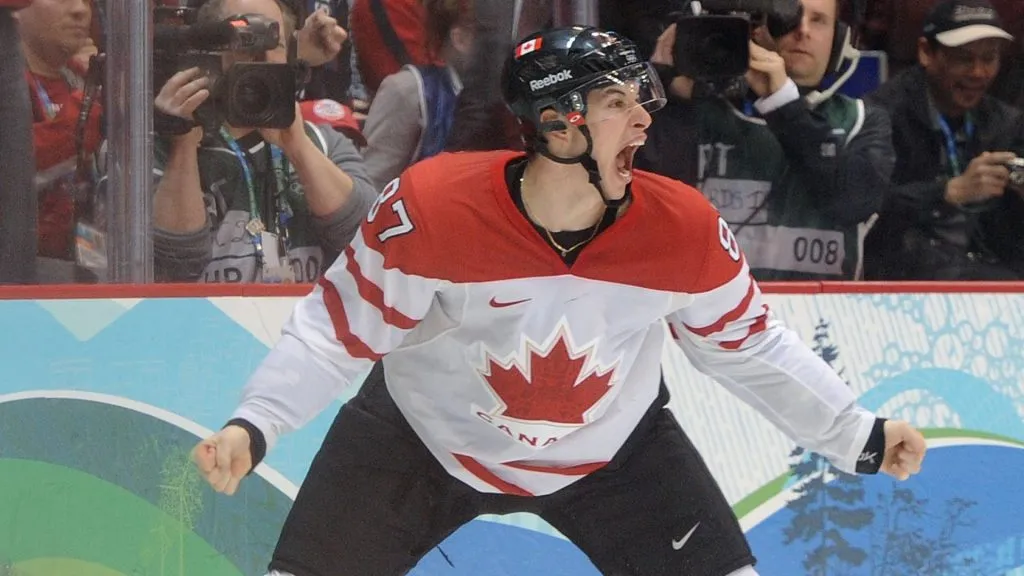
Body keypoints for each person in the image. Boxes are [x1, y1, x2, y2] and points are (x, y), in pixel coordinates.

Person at [192, 26, 927, 576]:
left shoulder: (684, 227)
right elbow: (334, 332)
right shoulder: (435, 206)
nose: (644, 119)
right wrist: (252, 427)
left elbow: (750, 344)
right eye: (618, 103)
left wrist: (857, 432)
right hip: (418, 441)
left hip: (616, 454)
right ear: (555, 123)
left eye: (642, 101)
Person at [639, 0, 894, 281]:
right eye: (788, 18)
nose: (802, 31)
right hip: (708, 313)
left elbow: (853, 202)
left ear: (840, 38)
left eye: (819, 20)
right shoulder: (696, 109)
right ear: (755, 30)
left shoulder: (862, 120)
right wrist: (664, 93)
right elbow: (644, 203)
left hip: (822, 313)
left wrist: (782, 103)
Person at [152, 0, 375, 283]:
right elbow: (174, 262)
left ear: (291, 58)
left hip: (301, 323)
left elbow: (366, 238)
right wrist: (183, 145)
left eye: (276, 44)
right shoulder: (153, 145)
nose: (262, 59)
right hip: (200, 322)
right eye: (246, 42)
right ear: (207, 52)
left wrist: (299, 148)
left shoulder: (323, 141)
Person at [864, 0, 1024, 280]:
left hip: (992, 272)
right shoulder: (881, 116)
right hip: (902, 278)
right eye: (964, 58)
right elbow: (862, 206)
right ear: (926, 52)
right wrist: (947, 192)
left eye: (989, 58)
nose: (978, 72)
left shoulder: (1006, 122)